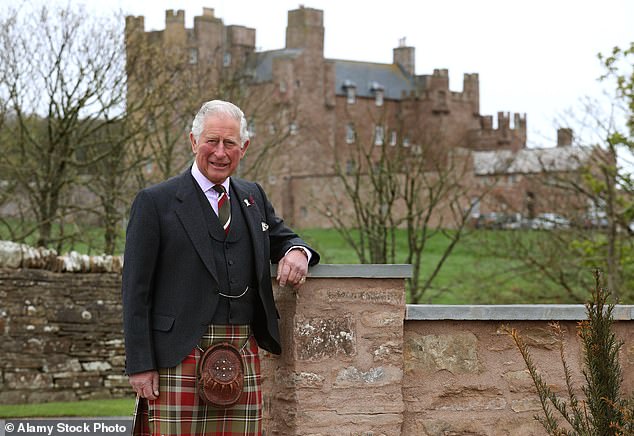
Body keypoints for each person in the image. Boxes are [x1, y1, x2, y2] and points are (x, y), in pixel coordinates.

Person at [122, 100, 319, 435]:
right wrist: (140, 365)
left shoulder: (252, 196)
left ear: (244, 147)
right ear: (193, 141)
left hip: (241, 348)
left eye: (230, 143)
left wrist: (297, 252)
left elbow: (284, 238)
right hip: (176, 356)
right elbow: (135, 291)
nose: (220, 152)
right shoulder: (156, 202)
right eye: (211, 141)